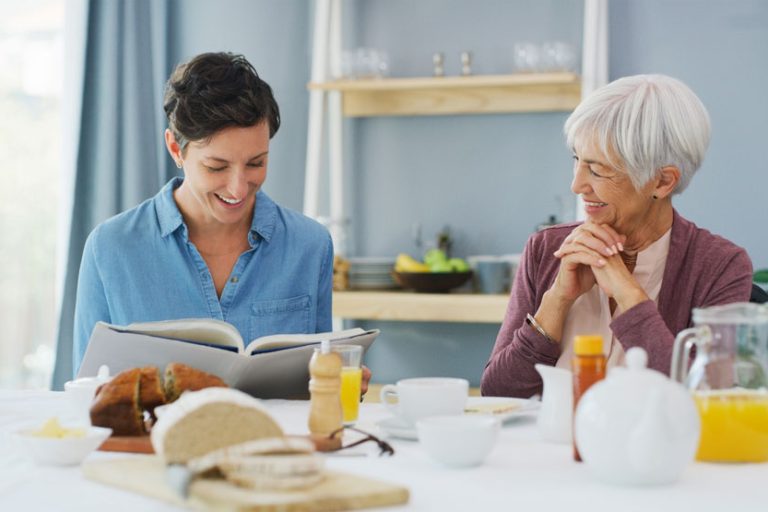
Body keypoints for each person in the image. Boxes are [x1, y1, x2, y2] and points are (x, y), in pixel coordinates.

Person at [73, 52, 371, 393]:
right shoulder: (110, 249)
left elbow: (318, 386)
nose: (238, 188)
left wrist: (337, 385)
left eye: (256, 163)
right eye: (216, 167)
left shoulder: (310, 245)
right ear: (176, 149)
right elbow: (85, 394)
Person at [481, 74, 753, 398]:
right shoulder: (546, 249)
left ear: (662, 182)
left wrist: (629, 295)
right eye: (577, 160)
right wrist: (556, 300)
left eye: (597, 170)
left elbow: (705, 400)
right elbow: (497, 395)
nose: (577, 185)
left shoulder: (720, 267)